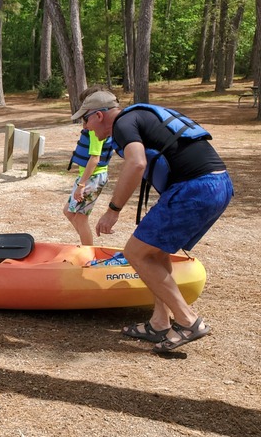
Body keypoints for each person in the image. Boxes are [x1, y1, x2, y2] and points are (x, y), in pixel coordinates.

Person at [72, 90, 234, 353]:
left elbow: (136, 164)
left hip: (196, 188)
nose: (85, 127)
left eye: (85, 121)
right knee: (155, 252)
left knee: (135, 252)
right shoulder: (137, 118)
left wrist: (113, 210)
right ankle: (159, 322)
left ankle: (188, 320)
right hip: (218, 184)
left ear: (99, 115)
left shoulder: (123, 124)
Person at [64, 127, 114, 246]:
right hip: (87, 177)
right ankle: (87, 244)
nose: (84, 123)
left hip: (93, 178)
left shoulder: (96, 131)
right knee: (69, 212)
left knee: (80, 218)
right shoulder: (93, 128)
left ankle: (89, 252)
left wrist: (81, 185)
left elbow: (95, 159)